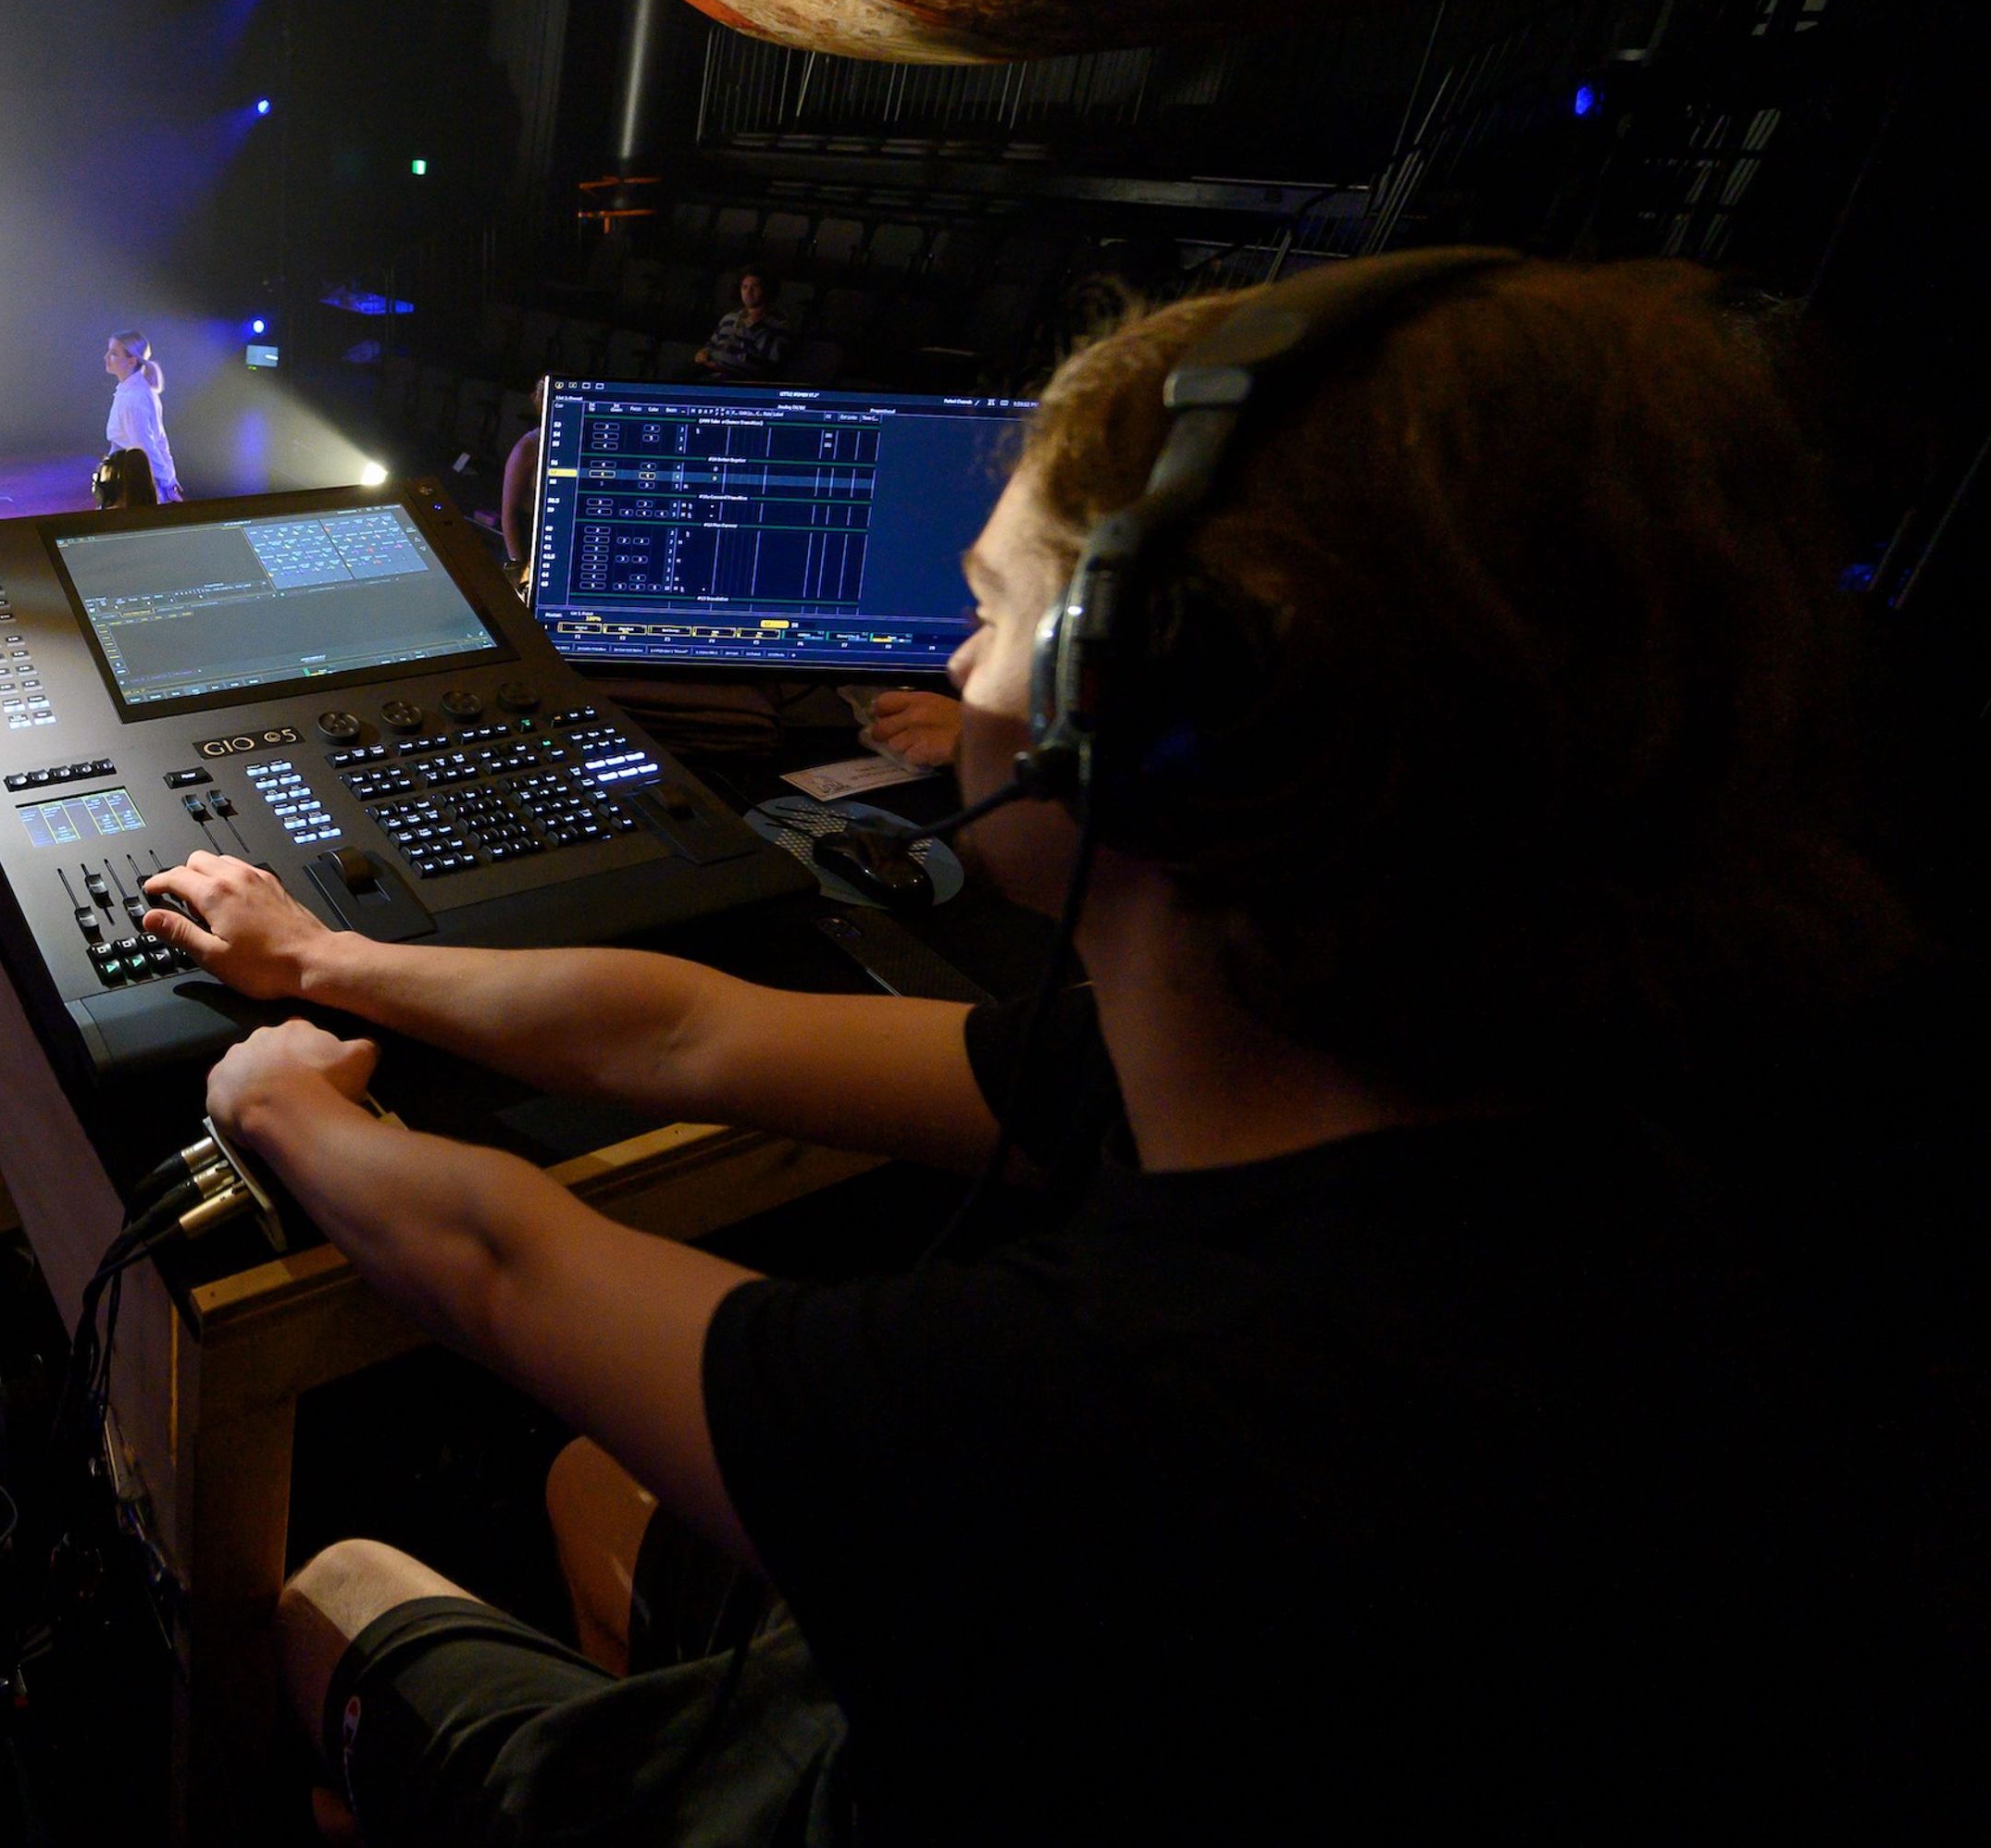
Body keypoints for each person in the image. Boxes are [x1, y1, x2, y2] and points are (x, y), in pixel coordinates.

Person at [134, 254, 1936, 1844]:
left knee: (339, 1578)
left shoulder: (1100, 1393)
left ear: (1163, 708)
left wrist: (288, 1104)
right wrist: (336, 953)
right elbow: (697, 1022)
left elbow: (491, 1255)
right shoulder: (1464, 1078)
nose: (953, 655)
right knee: (598, 1478)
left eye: (999, 610)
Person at [104, 329, 181, 503]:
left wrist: (168, 482)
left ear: (131, 361)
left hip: (132, 485)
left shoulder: (133, 399)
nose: (106, 357)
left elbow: (145, 448)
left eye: (114, 353)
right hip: (135, 479)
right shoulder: (139, 391)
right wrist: (169, 477)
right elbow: (160, 441)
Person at [692, 268, 787, 379]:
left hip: (735, 379)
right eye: (744, 287)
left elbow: (768, 364)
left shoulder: (777, 325)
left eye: (754, 287)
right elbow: (712, 344)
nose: (748, 292)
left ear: (767, 290)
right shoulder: (730, 317)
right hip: (707, 369)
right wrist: (703, 353)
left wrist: (755, 325)